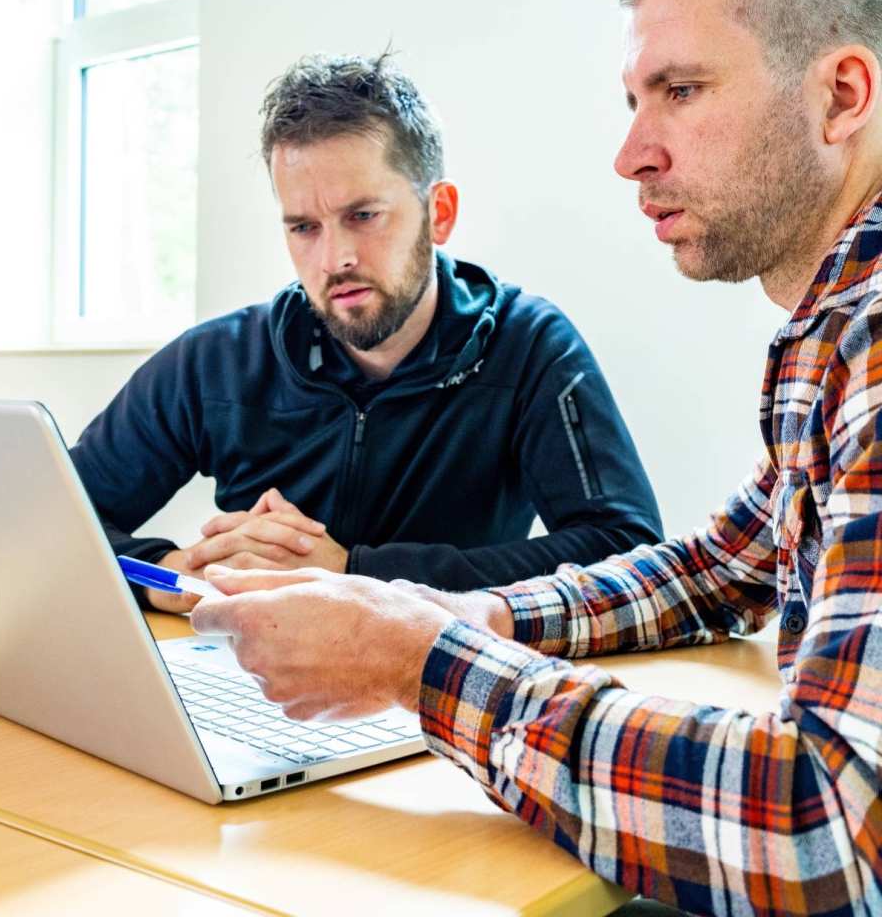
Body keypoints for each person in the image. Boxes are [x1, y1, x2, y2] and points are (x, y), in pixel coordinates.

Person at [191, 0, 882, 916]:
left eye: (680, 90)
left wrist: (415, 659)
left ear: (840, 96)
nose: (630, 153)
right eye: (633, 100)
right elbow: (710, 569)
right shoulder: (826, 331)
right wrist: (452, 613)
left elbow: (823, 823)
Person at [71, 53, 662, 613]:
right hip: (248, 677)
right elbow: (53, 527)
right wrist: (168, 578)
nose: (334, 259)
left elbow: (627, 553)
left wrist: (355, 574)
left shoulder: (528, 345)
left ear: (441, 214)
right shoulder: (216, 361)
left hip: (441, 686)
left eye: (363, 216)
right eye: (304, 227)